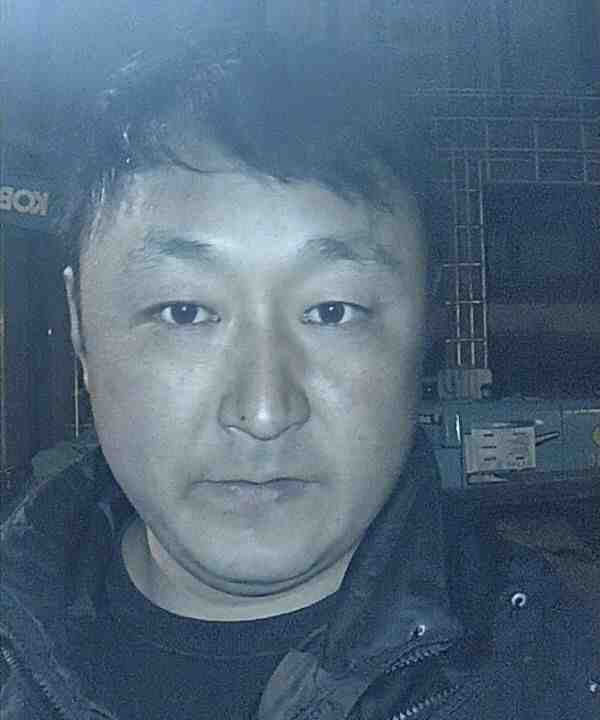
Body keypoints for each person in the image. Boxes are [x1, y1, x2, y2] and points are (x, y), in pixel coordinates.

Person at [1, 34, 598, 720]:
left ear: (426, 325)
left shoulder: (558, 674)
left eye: (331, 311)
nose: (264, 410)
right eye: (185, 311)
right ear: (80, 326)